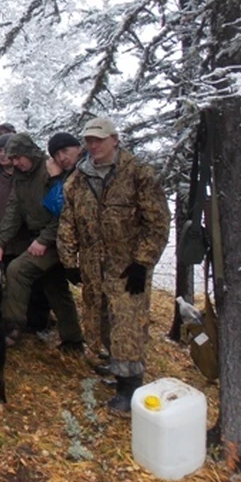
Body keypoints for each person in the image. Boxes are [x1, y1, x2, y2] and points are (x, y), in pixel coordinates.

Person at [58, 117, 170, 413]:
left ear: (114, 140)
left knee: (127, 323)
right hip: (94, 266)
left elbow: (157, 221)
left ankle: (130, 387)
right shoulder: (78, 179)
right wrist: (69, 260)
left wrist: (142, 261)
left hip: (127, 267)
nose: (93, 145)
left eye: (99, 139)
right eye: (89, 140)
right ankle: (117, 368)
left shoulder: (138, 173)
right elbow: (68, 221)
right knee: (101, 319)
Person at [0, 133, 85, 351]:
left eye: (19, 157)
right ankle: (73, 339)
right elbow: (14, 210)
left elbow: (64, 212)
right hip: (42, 237)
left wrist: (44, 239)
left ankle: (11, 327)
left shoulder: (50, 170)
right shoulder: (21, 176)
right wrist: (0, 241)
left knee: (17, 270)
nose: (16, 163)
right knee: (55, 286)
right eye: (12, 159)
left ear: (29, 152)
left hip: (57, 238)